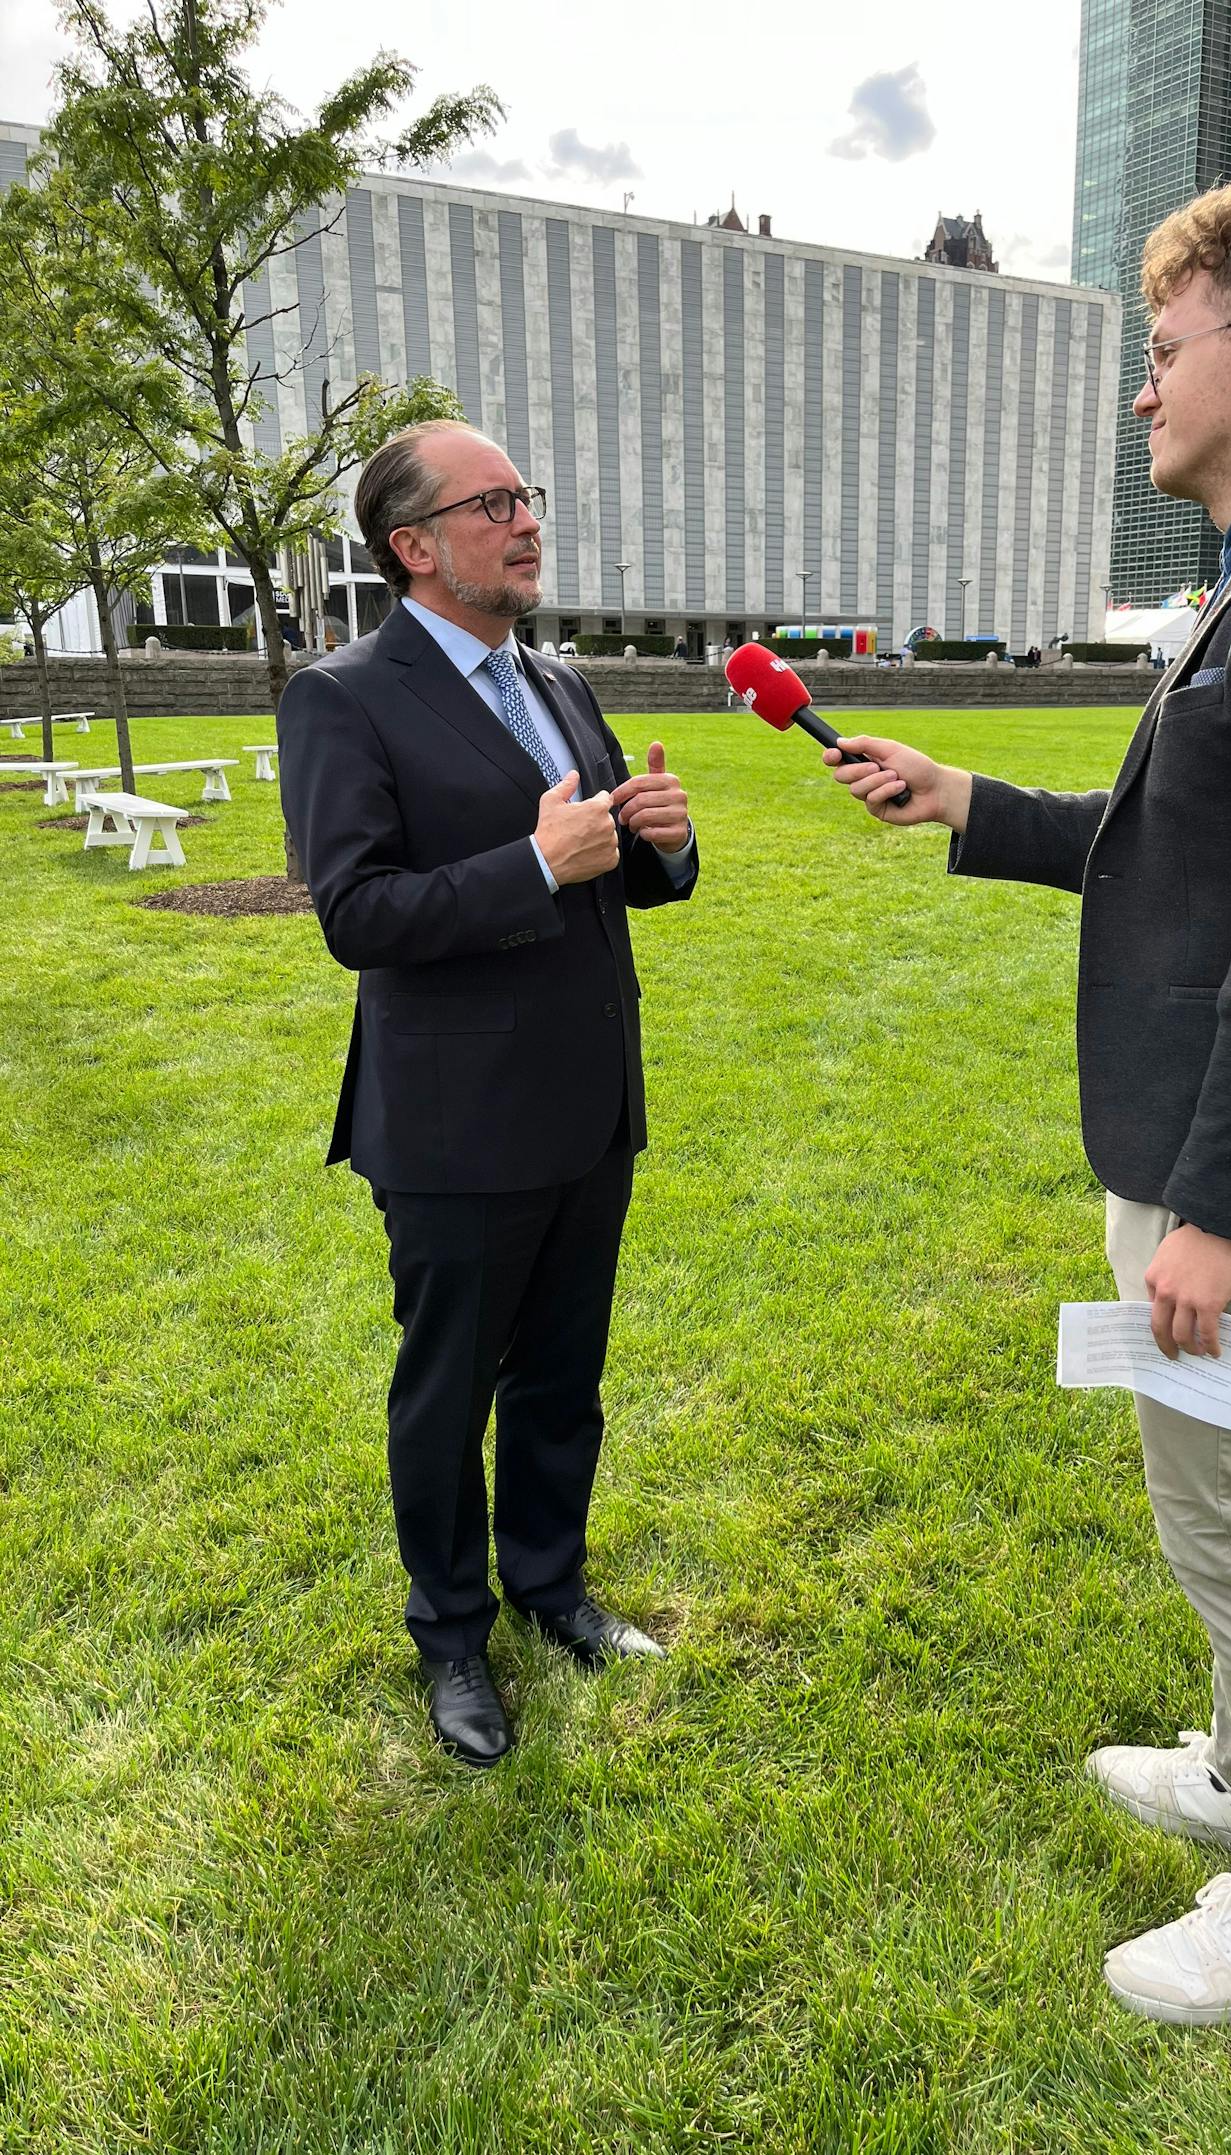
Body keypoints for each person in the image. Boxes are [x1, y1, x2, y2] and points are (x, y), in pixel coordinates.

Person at [823, 181, 1231, 2025]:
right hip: (1212, 1155)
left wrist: (1219, 1206)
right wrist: (969, 805)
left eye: (1159, 352)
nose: (1140, 391)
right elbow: (1186, 851)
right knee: (1215, 1506)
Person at [278, 419, 698, 1768]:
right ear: (414, 545)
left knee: (564, 1376)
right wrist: (534, 865)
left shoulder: (558, 678)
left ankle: (551, 1585)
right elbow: (356, 912)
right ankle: (453, 1635)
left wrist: (658, 851)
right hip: (455, 1126)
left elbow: (606, 865)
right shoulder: (343, 697)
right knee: (450, 1390)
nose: (527, 521)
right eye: (494, 502)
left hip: (587, 1104)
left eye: (528, 497)